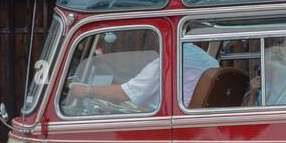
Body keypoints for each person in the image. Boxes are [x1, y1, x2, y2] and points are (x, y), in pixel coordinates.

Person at [68, 42, 218, 112]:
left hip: (164, 125)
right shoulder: (203, 56)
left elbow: (122, 95)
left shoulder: (168, 62)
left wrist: (86, 90)